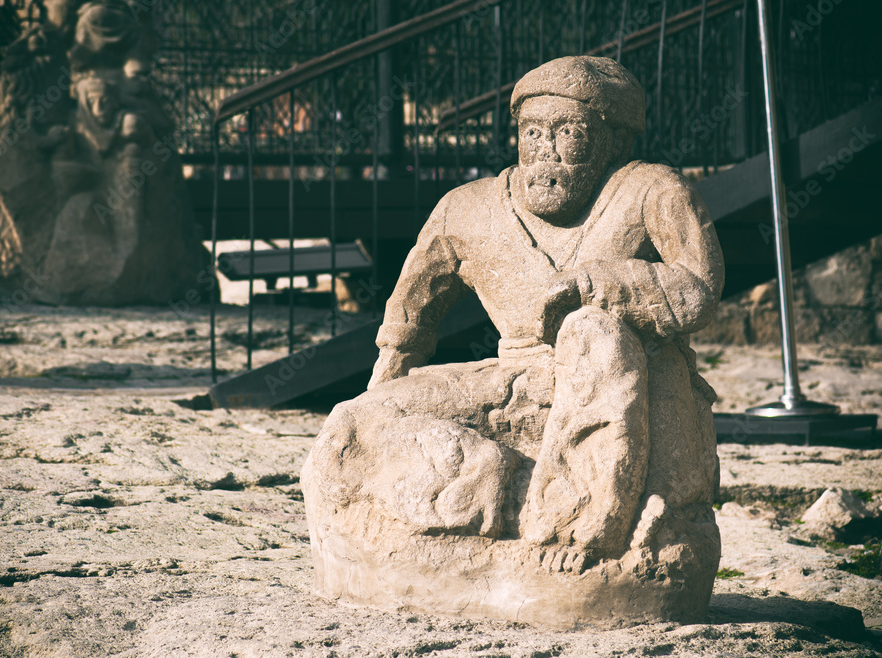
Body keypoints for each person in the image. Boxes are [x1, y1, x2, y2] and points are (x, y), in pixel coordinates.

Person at [303, 56, 724, 572]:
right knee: (355, 422)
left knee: (591, 329)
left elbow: (699, 286)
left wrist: (600, 284)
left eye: (567, 134)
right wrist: (387, 378)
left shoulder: (650, 191)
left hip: (620, 379)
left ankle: (581, 527)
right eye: (531, 132)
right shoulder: (469, 207)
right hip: (515, 383)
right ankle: (470, 503)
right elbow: (412, 308)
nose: (544, 153)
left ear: (613, 140)